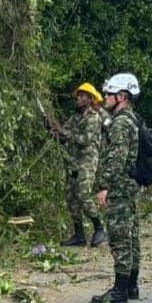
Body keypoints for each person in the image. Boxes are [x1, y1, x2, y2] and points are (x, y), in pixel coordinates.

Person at [91, 73, 141, 303]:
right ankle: (131, 286)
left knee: (120, 237)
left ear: (121, 96)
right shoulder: (132, 119)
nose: (105, 97)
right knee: (131, 235)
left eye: (109, 94)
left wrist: (104, 186)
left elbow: (117, 158)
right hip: (130, 185)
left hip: (120, 187)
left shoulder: (121, 122)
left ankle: (120, 291)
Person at [50, 83, 106, 247]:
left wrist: (62, 131)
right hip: (73, 162)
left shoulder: (93, 117)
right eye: (78, 95)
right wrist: (52, 129)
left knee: (83, 194)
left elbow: (84, 139)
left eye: (83, 96)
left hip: (87, 162)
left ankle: (99, 227)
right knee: (70, 197)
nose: (79, 98)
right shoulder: (75, 117)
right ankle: (79, 235)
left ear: (90, 99)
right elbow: (63, 135)